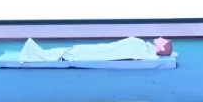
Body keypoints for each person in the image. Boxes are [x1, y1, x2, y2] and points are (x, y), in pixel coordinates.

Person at [19, 37, 173, 62]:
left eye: (163, 40)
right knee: (78, 49)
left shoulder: (142, 48)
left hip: (103, 52)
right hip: (105, 49)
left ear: (160, 47)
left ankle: (35, 53)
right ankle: (37, 52)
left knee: (76, 51)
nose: (161, 37)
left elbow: (149, 56)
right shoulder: (144, 46)